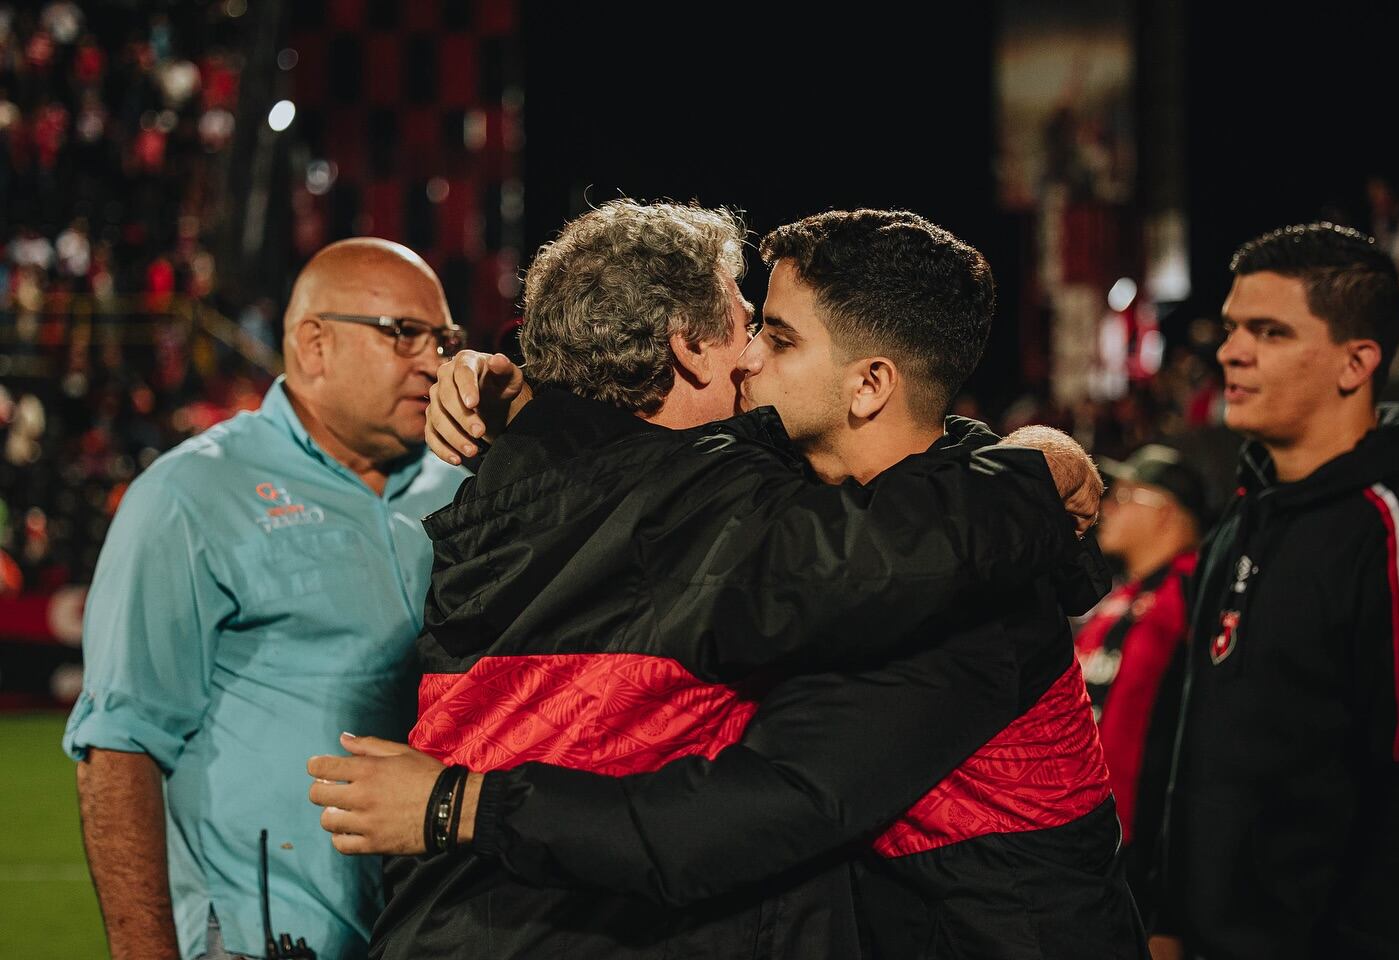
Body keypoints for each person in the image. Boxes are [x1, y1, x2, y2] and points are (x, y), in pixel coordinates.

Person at [311, 204, 1143, 958]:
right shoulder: (731, 509)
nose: (750, 358)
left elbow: (743, 815)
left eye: (777, 337)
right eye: (754, 328)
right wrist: (1036, 469)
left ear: (869, 384)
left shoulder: (948, 586)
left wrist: (1038, 466)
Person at [63, 238, 469, 960]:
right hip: (261, 941)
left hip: (442, 936)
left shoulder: (472, 488)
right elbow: (120, 745)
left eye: (444, 339)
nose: (434, 362)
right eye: (404, 334)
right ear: (314, 345)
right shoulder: (191, 495)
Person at [1152, 223, 1399, 959]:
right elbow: (1196, 747)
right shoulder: (1242, 515)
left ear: (1357, 362)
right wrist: (1168, 917)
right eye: (1232, 328)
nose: (1231, 352)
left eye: (1271, 332)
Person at [1076, 444, 1206, 916]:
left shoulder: (1195, 590)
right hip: (1085, 838)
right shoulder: (1115, 599)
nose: (1109, 508)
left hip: (1145, 853)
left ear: (1165, 511)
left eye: (1127, 496)